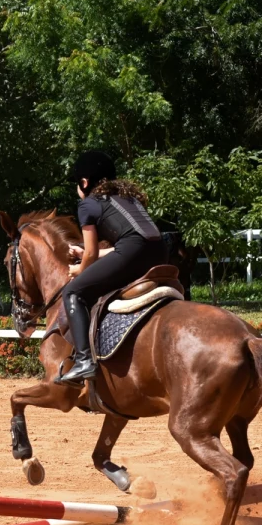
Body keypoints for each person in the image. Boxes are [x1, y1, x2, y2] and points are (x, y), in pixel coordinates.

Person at [57, 150, 168, 386]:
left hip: (132, 252)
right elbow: (130, 244)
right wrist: (85, 254)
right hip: (158, 252)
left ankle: (84, 361)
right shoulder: (128, 200)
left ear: (84, 182)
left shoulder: (88, 204)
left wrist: (79, 270)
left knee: (73, 292)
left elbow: (92, 253)